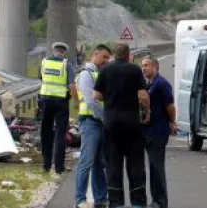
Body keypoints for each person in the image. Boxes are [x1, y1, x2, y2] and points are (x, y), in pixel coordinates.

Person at [93, 42, 150, 208]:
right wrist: (146, 112)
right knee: (135, 164)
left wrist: (110, 99)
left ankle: (116, 202)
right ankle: (138, 202)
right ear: (128, 55)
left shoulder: (105, 70)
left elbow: (96, 95)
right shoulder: (134, 70)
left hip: (111, 123)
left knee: (113, 165)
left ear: (114, 56)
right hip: (131, 123)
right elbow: (143, 96)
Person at [74, 44, 112, 208]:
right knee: (86, 161)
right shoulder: (86, 74)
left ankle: (101, 198)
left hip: (99, 123)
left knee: (99, 163)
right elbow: (91, 101)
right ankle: (80, 199)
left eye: (107, 58)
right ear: (94, 54)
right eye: (103, 57)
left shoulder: (100, 73)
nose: (106, 61)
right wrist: (106, 118)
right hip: (90, 122)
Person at [141, 57, 177, 208]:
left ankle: (161, 202)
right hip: (149, 130)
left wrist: (172, 122)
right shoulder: (149, 84)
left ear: (155, 67)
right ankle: (155, 200)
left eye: (147, 65)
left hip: (158, 131)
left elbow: (170, 106)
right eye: (142, 66)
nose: (144, 68)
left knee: (157, 167)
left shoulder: (161, 84)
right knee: (152, 167)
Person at [38, 41, 77, 179]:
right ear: (64, 52)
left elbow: (42, 79)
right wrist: (76, 101)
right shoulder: (67, 65)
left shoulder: (44, 62)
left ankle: (46, 165)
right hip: (61, 102)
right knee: (60, 133)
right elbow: (72, 85)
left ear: (53, 51)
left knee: (45, 133)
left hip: (45, 101)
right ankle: (59, 167)